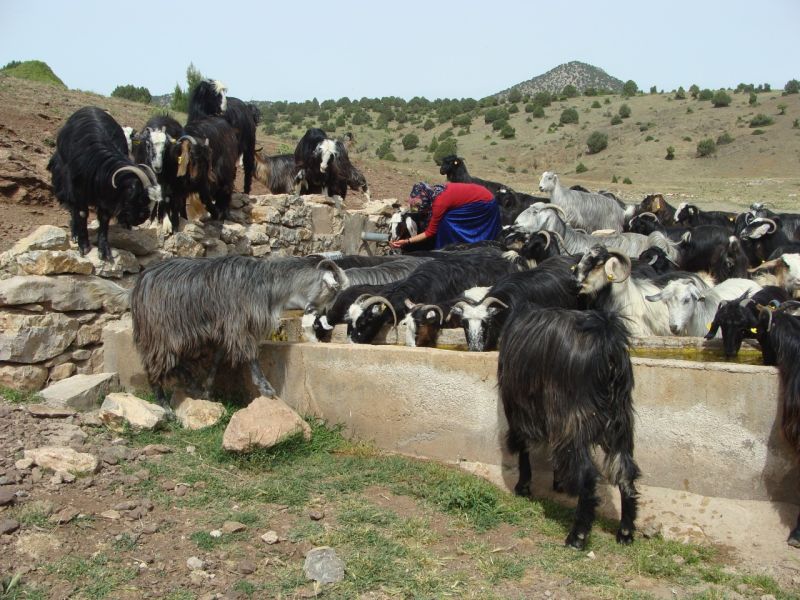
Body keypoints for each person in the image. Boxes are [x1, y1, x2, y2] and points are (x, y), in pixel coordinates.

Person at [389, 181, 501, 250]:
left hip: (484, 203)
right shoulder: (434, 192)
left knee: (446, 221)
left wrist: (407, 241)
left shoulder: (439, 203)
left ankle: (455, 245)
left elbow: (430, 232)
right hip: (480, 195)